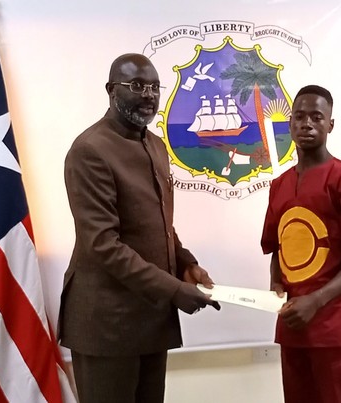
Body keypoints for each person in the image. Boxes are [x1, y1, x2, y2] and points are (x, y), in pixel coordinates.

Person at [58, 53, 220, 403]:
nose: (148, 95)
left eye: (153, 87)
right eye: (136, 86)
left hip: (151, 319)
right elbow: (103, 244)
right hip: (107, 325)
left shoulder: (156, 145)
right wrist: (174, 290)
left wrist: (185, 263)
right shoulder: (89, 150)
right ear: (111, 90)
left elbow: (159, 222)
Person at [260, 84, 341, 403]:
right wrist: (275, 284)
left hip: (334, 325)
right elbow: (278, 247)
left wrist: (315, 300)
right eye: (299, 116)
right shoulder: (280, 185)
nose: (307, 124)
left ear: (330, 124)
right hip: (293, 323)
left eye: (316, 117)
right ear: (290, 124)